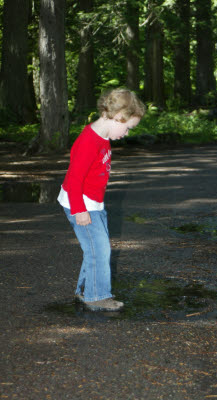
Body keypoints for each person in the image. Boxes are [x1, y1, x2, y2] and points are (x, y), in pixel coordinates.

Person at [57, 88, 145, 311]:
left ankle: (86, 290)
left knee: (94, 248)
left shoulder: (103, 137)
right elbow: (75, 178)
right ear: (117, 117)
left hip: (92, 202)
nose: (126, 133)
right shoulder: (89, 141)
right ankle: (98, 297)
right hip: (81, 204)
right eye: (127, 128)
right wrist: (80, 210)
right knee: (100, 249)